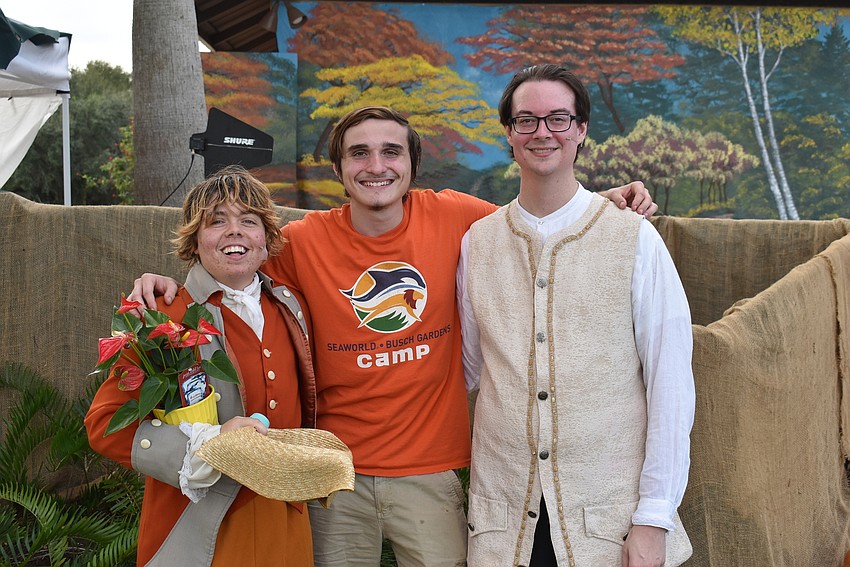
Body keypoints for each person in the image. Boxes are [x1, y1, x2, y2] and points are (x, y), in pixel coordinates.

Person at [129, 106, 657, 566]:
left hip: (430, 472)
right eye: (359, 154)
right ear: (338, 169)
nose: (375, 166)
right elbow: (231, 260)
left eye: (390, 152)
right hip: (334, 474)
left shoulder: (459, 218)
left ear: (411, 165)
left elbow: (538, 221)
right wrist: (170, 287)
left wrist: (605, 199)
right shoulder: (301, 242)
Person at [457, 64, 695, 567]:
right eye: (527, 120)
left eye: (558, 118)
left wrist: (655, 517)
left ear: (581, 130)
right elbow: (468, 373)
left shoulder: (634, 237)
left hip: (608, 527)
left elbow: (670, 383)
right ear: (509, 134)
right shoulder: (477, 243)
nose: (542, 132)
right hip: (504, 528)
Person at [86, 166, 317, 567]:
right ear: (194, 241)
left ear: (267, 240)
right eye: (216, 222)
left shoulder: (292, 305)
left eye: (249, 220)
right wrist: (207, 445)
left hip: (287, 521)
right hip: (198, 528)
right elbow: (106, 424)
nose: (235, 231)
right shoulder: (161, 318)